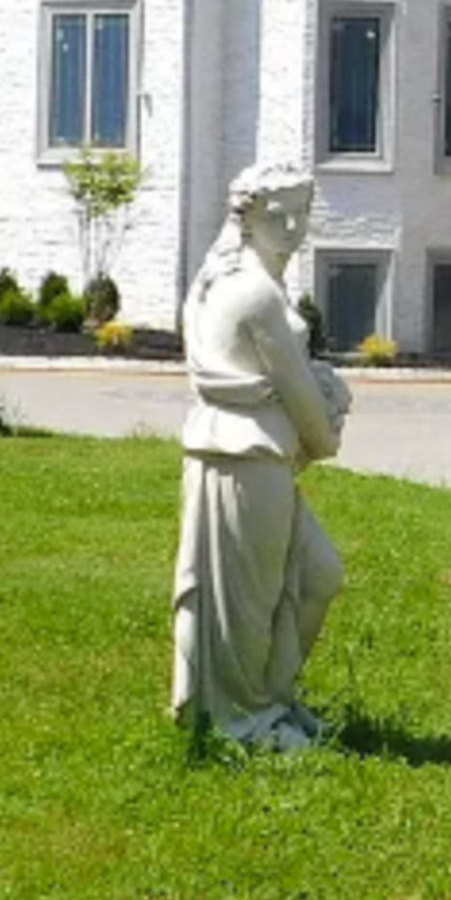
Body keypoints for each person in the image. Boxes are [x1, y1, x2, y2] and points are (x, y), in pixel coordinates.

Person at [171, 162, 350, 750]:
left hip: (255, 456)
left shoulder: (245, 279)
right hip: (244, 457)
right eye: (280, 215)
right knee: (249, 601)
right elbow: (302, 404)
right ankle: (243, 720)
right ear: (247, 216)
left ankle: (272, 700)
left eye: (303, 211)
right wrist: (329, 421)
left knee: (316, 574)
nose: (294, 226)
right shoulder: (252, 293)